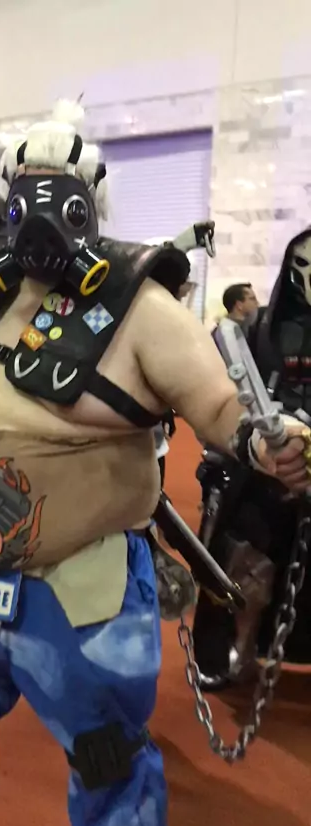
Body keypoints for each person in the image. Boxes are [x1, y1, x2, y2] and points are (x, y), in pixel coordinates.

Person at [0, 101, 309, 826]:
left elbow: (218, 405)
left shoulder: (142, 308)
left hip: (77, 589)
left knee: (106, 752)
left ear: (92, 201)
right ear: (5, 200)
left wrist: (264, 443)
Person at [192, 227, 311, 690]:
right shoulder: (258, 330)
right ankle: (236, 647)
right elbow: (223, 404)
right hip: (264, 469)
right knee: (244, 562)